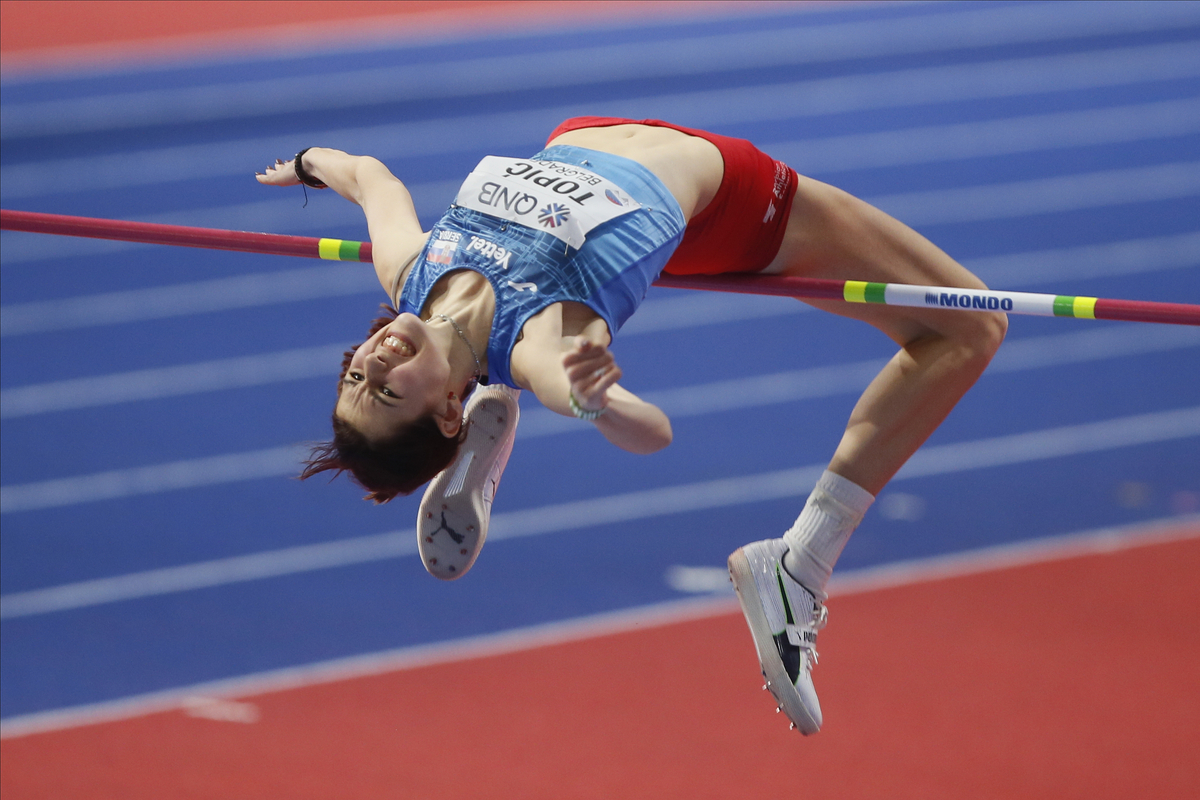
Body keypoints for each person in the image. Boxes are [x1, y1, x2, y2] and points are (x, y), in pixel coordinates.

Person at [256, 117, 1007, 734]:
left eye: (357, 375)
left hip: (594, 134)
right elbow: (650, 431)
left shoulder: (409, 272)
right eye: (386, 393)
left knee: (485, 358)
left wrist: (307, 161)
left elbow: (371, 178)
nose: (375, 363)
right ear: (443, 411)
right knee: (971, 326)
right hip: (728, 202)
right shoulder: (541, 342)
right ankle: (799, 563)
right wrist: (601, 400)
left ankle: (495, 414)